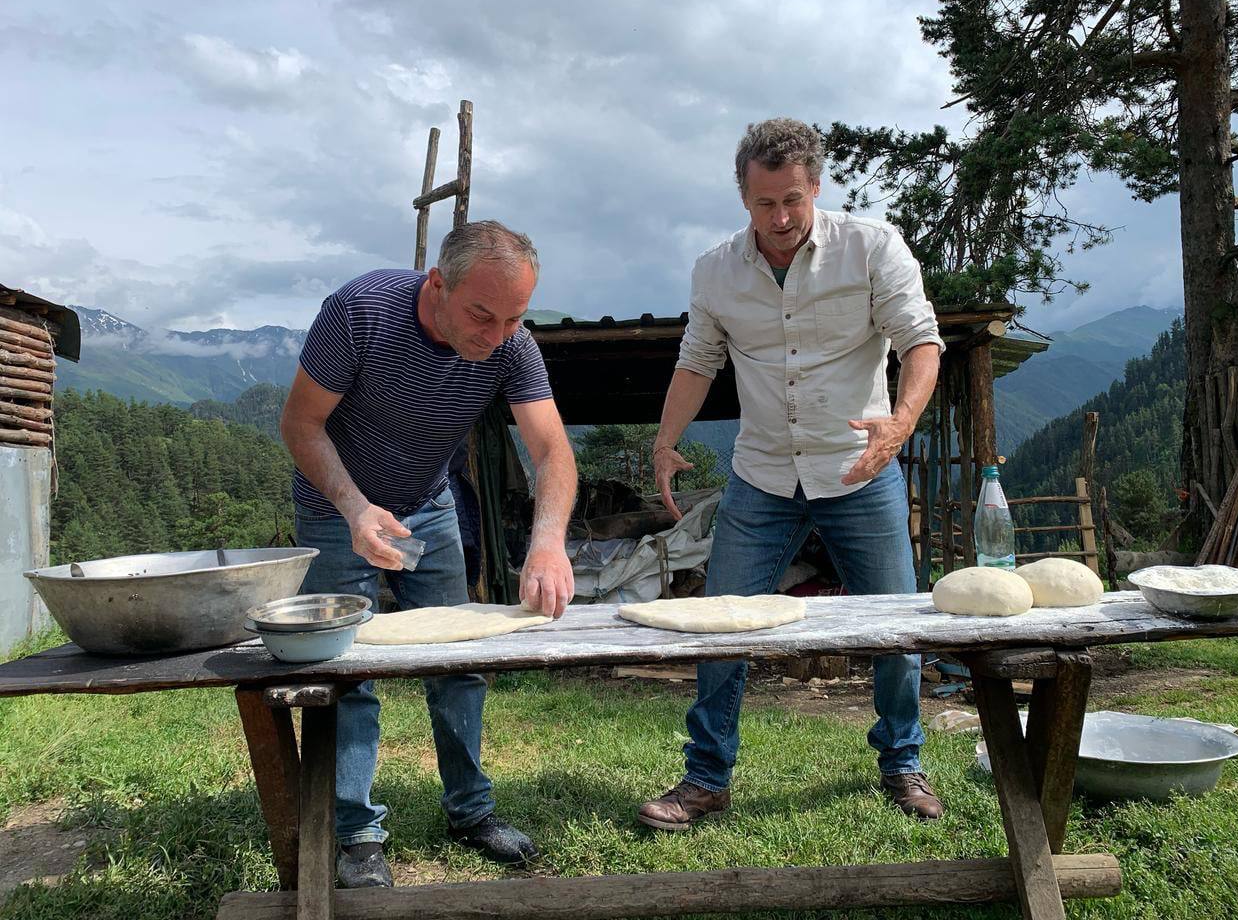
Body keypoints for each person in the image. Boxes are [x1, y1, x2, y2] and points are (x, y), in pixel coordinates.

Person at [638, 118, 945, 831]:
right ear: (743, 198)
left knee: (895, 626)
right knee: (721, 626)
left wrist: (899, 424)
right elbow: (697, 360)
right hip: (763, 475)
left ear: (816, 187)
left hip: (859, 468)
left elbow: (920, 342)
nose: (779, 219)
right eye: (764, 204)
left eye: (792, 201)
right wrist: (665, 442)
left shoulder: (871, 246)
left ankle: (902, 763)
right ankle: (705, 779)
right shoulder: (715, 270)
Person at [280, 220, 577, 888]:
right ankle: (356, 834)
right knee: (346, 669)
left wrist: (548, 543)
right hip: (334, 508)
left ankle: (471, 812)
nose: (496, 335)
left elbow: (552, 450)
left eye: (514, 318)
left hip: (428, 506)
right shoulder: (359, 313)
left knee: (458, 660)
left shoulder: (512, 344)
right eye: (482, 315)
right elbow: (300, 424)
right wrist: (355, 509)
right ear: (439, 284)